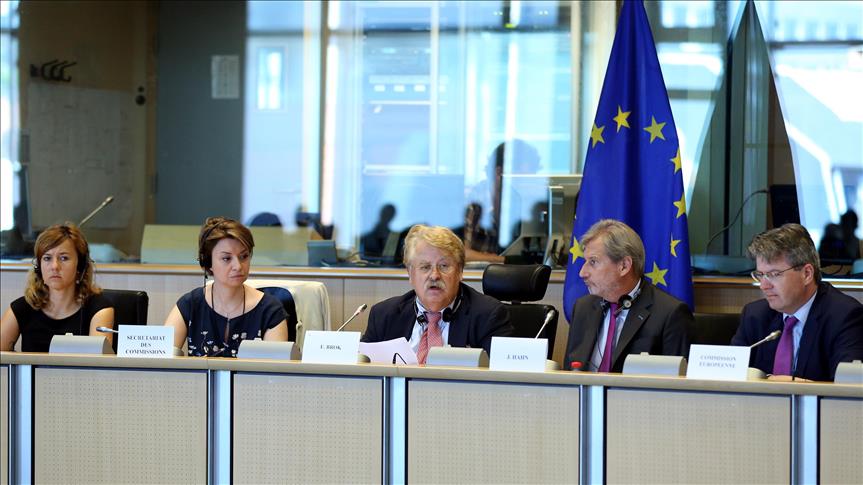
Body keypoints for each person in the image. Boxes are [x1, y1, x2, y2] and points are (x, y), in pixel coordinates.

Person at [361, 224, 514, 363]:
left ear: (460, 271)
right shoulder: (384, 316)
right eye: (425, 267)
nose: (434, 275)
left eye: (444, 266)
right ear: (410, 274)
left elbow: (501, 377)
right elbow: (363, 371)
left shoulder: (488, 316)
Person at [731, 223, 863, 381]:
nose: (764, 285)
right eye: (760, 275)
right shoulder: (754, 316)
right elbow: (730, 375)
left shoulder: (845, 316)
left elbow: (847, 386)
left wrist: (791, 384)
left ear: (807, 274)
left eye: (774, 274)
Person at [563, 219, 691, 372]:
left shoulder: (670, 314)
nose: (582, 273)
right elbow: (569, 374)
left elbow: (676, 382)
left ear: (624, 266)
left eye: (593, 262)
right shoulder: (583, 308)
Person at [165, 217, 288, 357]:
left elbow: (274, 369)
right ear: (208, 262)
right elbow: (162, 360)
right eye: (226, 258)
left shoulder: (270, 311)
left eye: (244, 256)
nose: (238, 266)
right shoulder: (190, 305)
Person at [1, 223, 114, 352]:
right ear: (39, 267)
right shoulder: (23, 307)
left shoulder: (98, 308)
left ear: (80, 266)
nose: (54, 266)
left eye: (64, 258)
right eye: (47, 258)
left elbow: (99, 363)